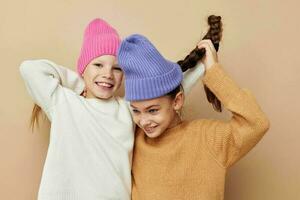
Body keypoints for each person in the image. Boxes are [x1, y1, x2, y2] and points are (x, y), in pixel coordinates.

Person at [20, 19, 204, 199]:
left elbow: (168, 93)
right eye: (98, 65)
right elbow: (29, 69)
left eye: (116, 68)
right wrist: (80, 83)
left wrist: (203, 63)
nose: (107, 74)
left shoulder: (128, 110)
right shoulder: (64, 103)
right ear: (83, 68)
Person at [117, 34, 270, 200]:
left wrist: (213, 71)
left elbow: (255, 123)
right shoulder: (133, 140)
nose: (144, 121)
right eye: (136, 111)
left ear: (177, 101)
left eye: (152, 110)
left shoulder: (207, 138)